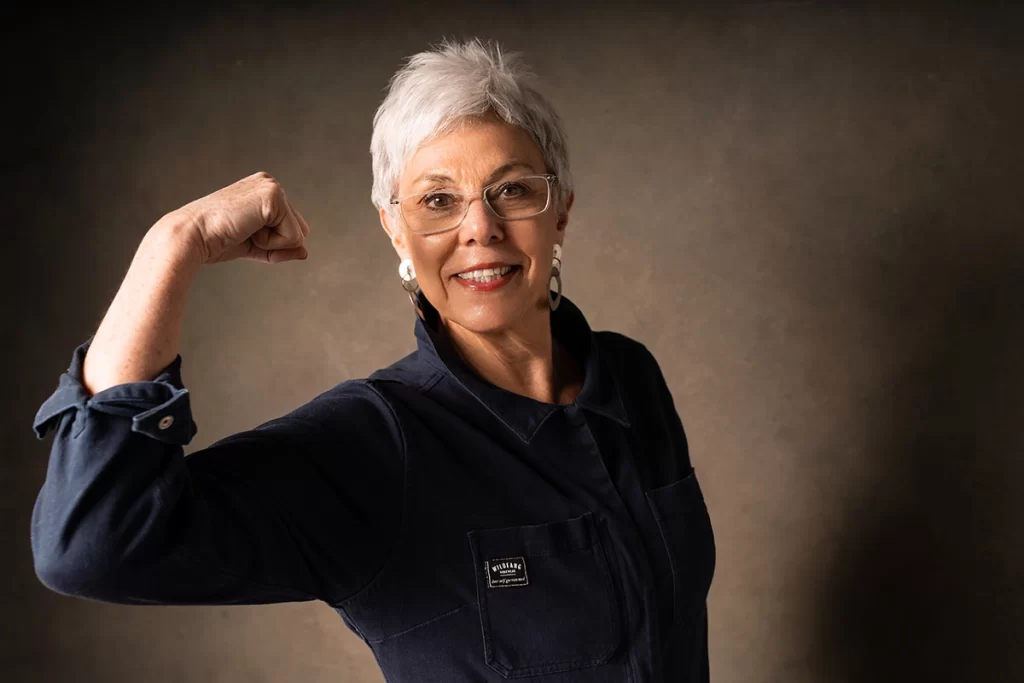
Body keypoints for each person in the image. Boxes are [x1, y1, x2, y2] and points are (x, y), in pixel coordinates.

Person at [30, 37, 716, 682]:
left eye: (511, 189)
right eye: (437, 201)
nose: (480, 226)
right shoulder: (374, 444)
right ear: (396, 230)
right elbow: (91, 544)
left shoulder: (630, 378)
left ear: (559, 210)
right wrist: (170, 244)